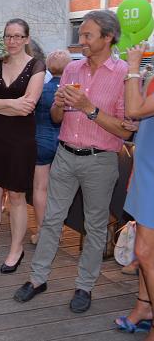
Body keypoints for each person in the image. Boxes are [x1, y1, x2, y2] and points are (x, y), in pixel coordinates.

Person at [14, 10, 133, 313]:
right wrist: (59, 105)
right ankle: (38, 279)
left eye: (87, 35)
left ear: (108, 37)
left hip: (101, 161)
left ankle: (84, 286)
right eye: (80, 35)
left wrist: (89, 108)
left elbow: (125, 130)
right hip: (65, 154)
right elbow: (57, 117)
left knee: (95, 226)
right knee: (51, 220)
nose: (81, 41)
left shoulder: (123, 74)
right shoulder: (72, 69)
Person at [0, 18, 46, 274]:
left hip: (20, 140)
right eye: (8, 36)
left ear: (26, 39)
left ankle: (16, 249)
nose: (12, 41)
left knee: (16, 196)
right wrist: (12, 103)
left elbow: (28, 107)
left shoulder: (37, 66)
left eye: (17, 36)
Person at [114, 43, 154, 335]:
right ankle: (144, 306)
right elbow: (139, 115)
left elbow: (135, 108)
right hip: (146, 167)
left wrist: (132, 66)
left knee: (145, 251)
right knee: (145, 250)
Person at [31, 50, 71, 244]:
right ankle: (58, 229)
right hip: (66, 143)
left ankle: (41, 231)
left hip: (41, 141)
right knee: (61, 190)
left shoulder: (41, 89)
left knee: (40, 187)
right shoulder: (72, 91)